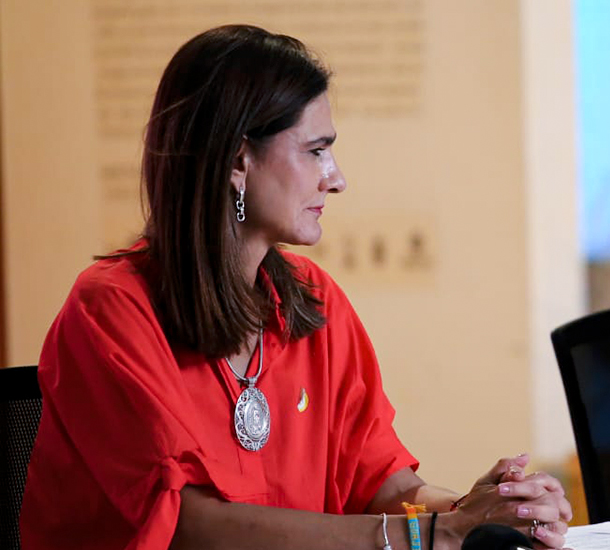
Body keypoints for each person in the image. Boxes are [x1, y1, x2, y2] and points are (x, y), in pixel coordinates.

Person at [20, 25, 571, 549]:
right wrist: (426, 538)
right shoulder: (110, 309)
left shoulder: (313, 298)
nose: (336, 177)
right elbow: (187, 530)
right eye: (316, 150)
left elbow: (382, 483)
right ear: (238, 158)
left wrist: (478, 513)